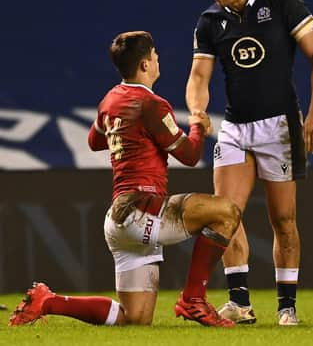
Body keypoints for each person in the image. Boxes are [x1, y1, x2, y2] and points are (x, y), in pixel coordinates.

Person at [9, 31, 241, 328]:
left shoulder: (111, 99)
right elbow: (190, 155)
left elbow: (95, 140)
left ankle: (48, 301)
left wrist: (131, 136)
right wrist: (198, 126)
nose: (158, 61)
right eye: (155, 57)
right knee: (226, 212)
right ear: (145, 64)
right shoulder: (151, 104)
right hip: (141, 210)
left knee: (135, 318)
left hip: (119, 220)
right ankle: (193, 298)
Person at [186, 0, 313, 325]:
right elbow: (199, 75)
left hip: (279, 127)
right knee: (223, 215)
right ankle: (240, 303)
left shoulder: (282, 4)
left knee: (283, 219)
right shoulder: (209, 22)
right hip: (234, 127)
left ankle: (287, 307)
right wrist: (197, 110)